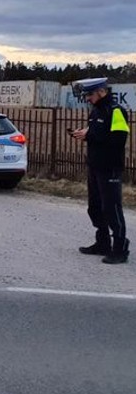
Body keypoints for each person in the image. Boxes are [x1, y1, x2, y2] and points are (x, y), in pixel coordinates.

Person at [70, 77, 130, 264]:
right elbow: (97, 134)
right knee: (95, 207)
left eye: (90, 94)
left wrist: (90, 134)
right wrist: (86, 134)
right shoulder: (97, 110)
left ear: (101, 92)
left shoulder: (115, 111)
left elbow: (118, 140)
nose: (87, 98)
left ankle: (120, 249)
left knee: (111, 208)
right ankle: (102, 243)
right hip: (95, 166)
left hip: (109, 167)